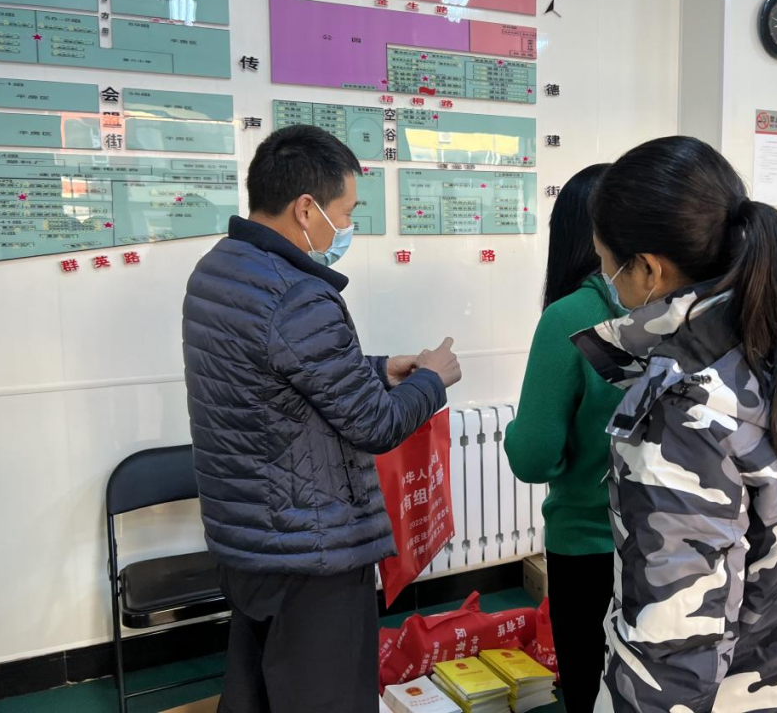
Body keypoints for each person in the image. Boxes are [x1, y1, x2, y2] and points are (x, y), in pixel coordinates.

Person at [571, 136, 777, 712]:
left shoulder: (684, 404)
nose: (606, 277)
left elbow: (673, 639)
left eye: (606, 262)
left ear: (649, 268)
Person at [182, 125, 462, 713]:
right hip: (310, 547)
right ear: (306, 209)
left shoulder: (219, 269)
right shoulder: (297, 295)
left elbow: (277, 375)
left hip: (249, 533)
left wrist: (380, 369)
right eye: (347, 212)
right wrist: (432, 380)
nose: (347, 226)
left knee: (259, 691)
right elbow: (375, 427)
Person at [503, 163, 623, 713]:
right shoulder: (690, 309)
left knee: (589, 685)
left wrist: (518, 433)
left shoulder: (571, 316)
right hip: (675, 539)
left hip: (587, 540)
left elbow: (532, 456)